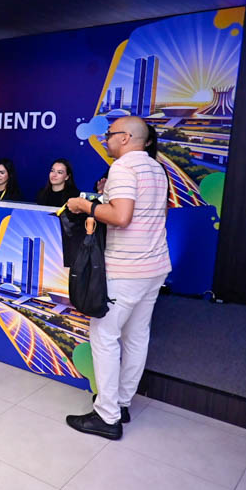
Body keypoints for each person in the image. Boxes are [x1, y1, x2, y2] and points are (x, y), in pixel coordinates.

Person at [65, 116, 171, 440]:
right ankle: (121, 403)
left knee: (104, 336)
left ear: (125, 138)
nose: (106, 139)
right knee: (136, 336)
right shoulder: (157, 169)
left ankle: (107, 415)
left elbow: (122, 217)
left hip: (127, 269)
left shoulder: (123, 167)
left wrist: (85, 205)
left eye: (110, 134)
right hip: (155, 266)